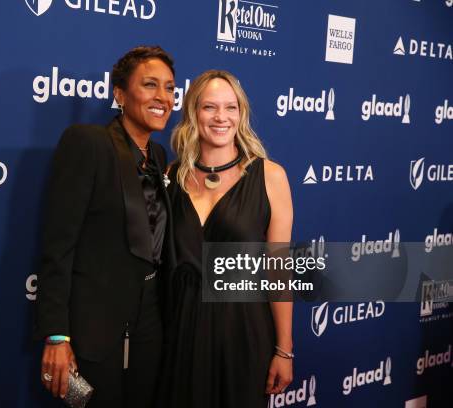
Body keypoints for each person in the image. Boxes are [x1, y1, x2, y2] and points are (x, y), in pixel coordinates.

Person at [34, 46, 176, 408]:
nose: (163, 97)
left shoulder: (160, 158)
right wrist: (56, 336)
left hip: (150, 325)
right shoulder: (88, 143)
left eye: (170, 88)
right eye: (150, 85)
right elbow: (58, 245)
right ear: (120, 94)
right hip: (94, 331)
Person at [159, 70, 294, 407]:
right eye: (209, 107)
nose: (221, 117)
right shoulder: (171, 175)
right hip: (180, 327)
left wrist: (284, 350)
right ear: (193, 114)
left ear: (241, 113)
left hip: (243, 329)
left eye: (230, 107)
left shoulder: (270, 176)